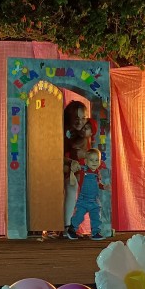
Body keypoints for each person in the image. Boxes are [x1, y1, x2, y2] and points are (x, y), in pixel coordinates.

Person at [66, 148, 106, 240]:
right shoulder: (83, 170)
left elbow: (98, 184)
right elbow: (76, 167)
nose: (94, 162)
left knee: (96, 217)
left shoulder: (97, 173)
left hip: (94, 200)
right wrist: (74, 167)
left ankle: (95, 232)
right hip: (83, 200)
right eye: (91, 160)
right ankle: (72, 229)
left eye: (97, 160)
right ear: (86, 161)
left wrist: (104, 186)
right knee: (79, 216)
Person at [63, 100, 88, 234]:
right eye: (76, 118)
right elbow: (56, 153)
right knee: (71, 187)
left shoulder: (86, 129)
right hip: (65, 165)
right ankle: (67, 226)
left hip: (82, 166)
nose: (80, 122)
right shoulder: (63, 131)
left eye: (83, 118)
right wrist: (70, 161)